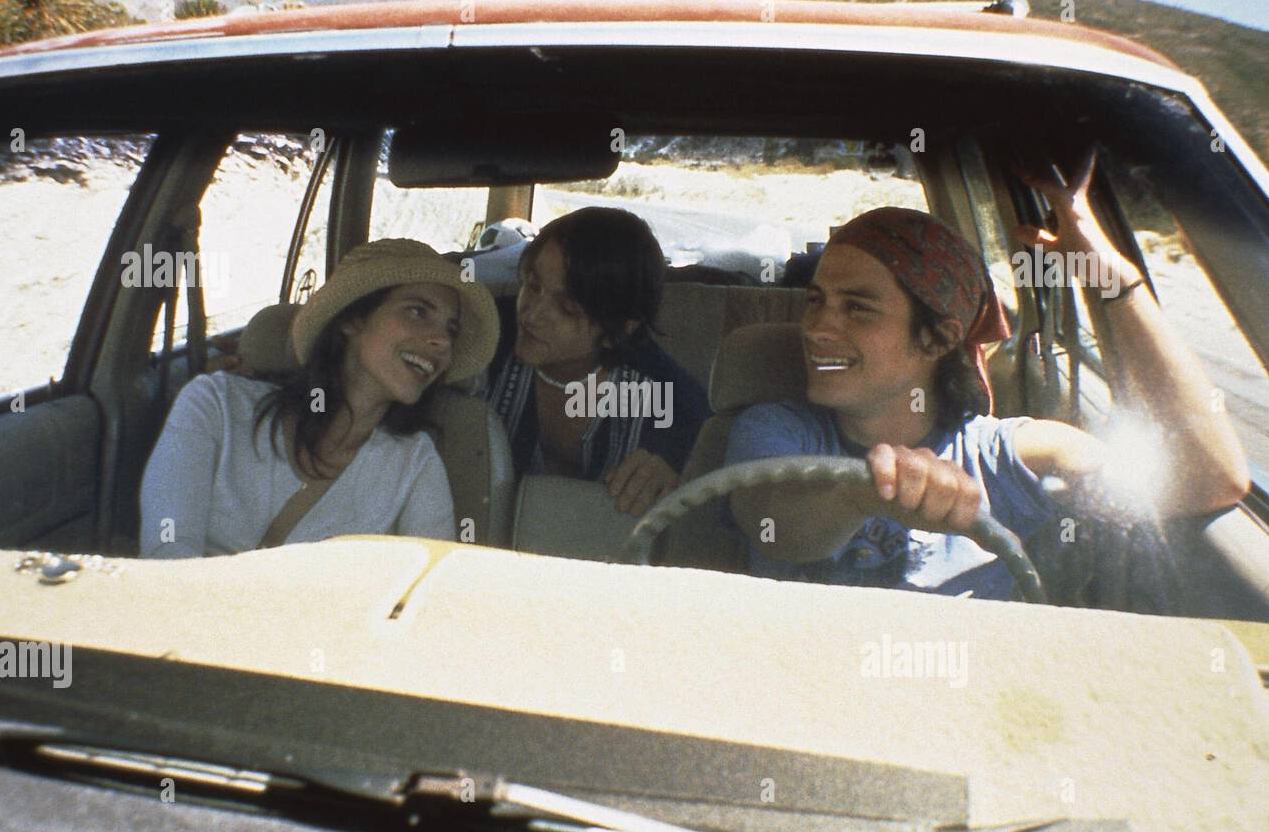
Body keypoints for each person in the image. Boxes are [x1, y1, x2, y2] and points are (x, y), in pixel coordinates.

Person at [725, 153, 1248, 600]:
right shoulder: (776, 429)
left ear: (938, 338)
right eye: (817, 301)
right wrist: (861, 495)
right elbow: (777, 530)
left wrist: (1115, 281)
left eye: (857, 309)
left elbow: (1209, 479)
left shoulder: (1003, 454)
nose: (817, 328)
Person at [140, 238, 498, 557]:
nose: (442, 341)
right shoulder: (216, 405)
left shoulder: (415, 462)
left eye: (451, 330)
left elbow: (425, 591)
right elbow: (167, 556)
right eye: (417, 312)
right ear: (352, 320)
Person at [484, 207, 710, 516]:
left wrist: (675, 475)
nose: (531, 314)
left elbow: (706, 491)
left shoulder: (672, 405)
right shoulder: (482, 340)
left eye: (566, 308)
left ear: (617, 331)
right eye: (532, 285)